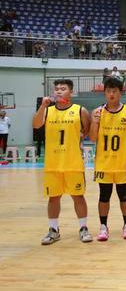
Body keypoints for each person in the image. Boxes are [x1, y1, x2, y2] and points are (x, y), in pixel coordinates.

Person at [32, 79, 92, 245]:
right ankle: (53, 230)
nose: (58, 91)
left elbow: (86, 130)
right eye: (56, 89)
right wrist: (42, 106)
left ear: (71, 92)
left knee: (78, 197)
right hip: (53, 163)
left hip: (73, 163)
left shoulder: (80, 110)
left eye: (63, 88)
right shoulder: (47, 111)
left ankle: (83, 228)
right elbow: (36, 125)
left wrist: (80, 137)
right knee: (53, 198)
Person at [88, 77, 126, 241]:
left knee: (124, 194)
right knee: (104, 195)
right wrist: (95, 122)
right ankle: (103, 227)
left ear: (120, 93)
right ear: (104, 93)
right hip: (104, 163)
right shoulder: (97, 112)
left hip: (122, 162)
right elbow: (93, 138)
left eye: (114, 91)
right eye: (108, 91)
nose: (111, 94)